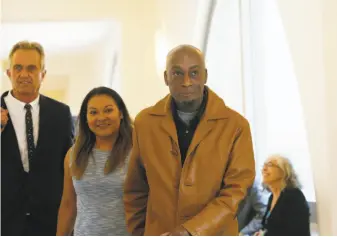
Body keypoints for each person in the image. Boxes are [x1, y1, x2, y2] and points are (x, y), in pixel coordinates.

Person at [124, 44, 256, 236]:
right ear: (166, 77)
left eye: (194, 73)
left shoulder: (236, 126)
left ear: (205, 76)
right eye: (177, 73)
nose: (186, 82)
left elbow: (237, 192)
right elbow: (136, 190)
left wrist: (190, 231)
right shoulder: (145, 123)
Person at [1, 41, 74, 235]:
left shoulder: (61, 113)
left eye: (32, 68)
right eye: (18, 68)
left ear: (43, 74)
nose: (24, 74)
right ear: (9, 73)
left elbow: (70, 168)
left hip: (50, 222)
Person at [57, 87, 133, 236]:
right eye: (93, 112)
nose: (101, 117)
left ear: (121, 113)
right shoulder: (73, 155)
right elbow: (68, 205)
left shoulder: (137, 152)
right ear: (85, 118)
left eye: (108, 110)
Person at [257, 155, 310, 236]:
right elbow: (269, 226)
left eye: (269, 165)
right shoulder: (272, 197)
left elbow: (295, 232)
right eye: (264, 166)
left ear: (283, 171)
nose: (264, 169)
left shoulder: (294, 196)